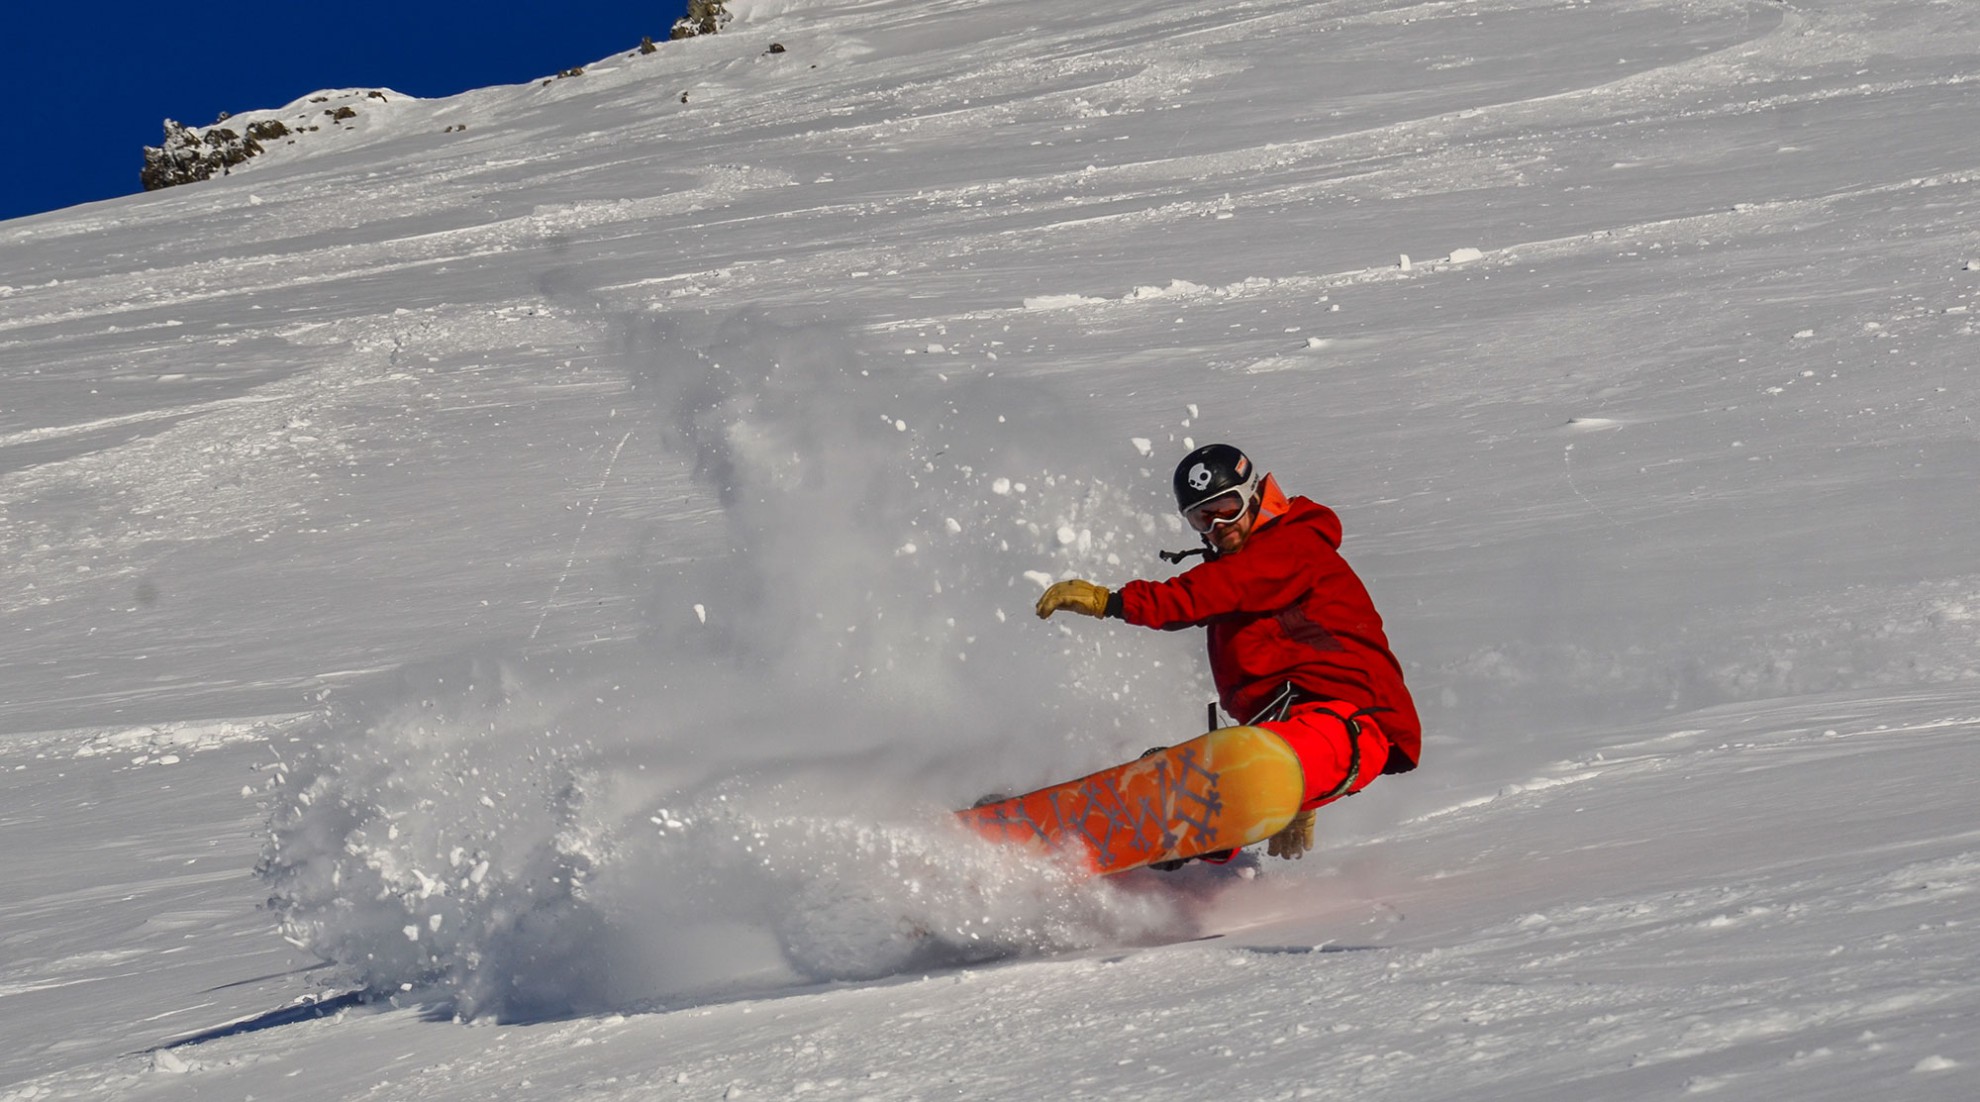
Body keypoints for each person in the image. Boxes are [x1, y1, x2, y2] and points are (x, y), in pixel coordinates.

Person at [1034, 443, 1420, 864]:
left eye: (1228, 507)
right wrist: (1297, 797)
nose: (1219, 524)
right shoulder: (1252, 566)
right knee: (1230, 801)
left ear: (1255, 495)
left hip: (1349, 725)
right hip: (1294, 735)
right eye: (1203, 516)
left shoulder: (1291, 546)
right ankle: (1086, 837)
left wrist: (1113, 602)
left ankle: (1186, 800)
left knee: (1237, 767)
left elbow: (1212, 590)